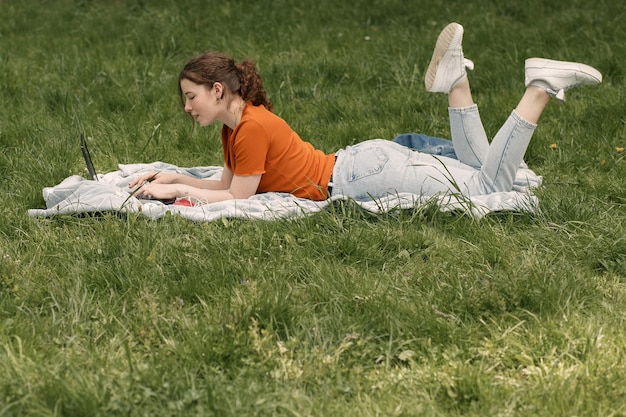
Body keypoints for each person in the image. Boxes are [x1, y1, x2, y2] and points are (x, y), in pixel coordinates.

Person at [130, 23, 602, 206]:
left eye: (191, 97)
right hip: (360, 166)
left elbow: (234, 197)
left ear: (217, 90)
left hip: (358, 177)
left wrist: (173, 187)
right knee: (480, 174)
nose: (187, 107)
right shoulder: (236, 129)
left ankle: (539, 88)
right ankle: (456, 80)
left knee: (487, 187)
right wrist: (171, 180)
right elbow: (224, 186)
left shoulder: (251, 127)